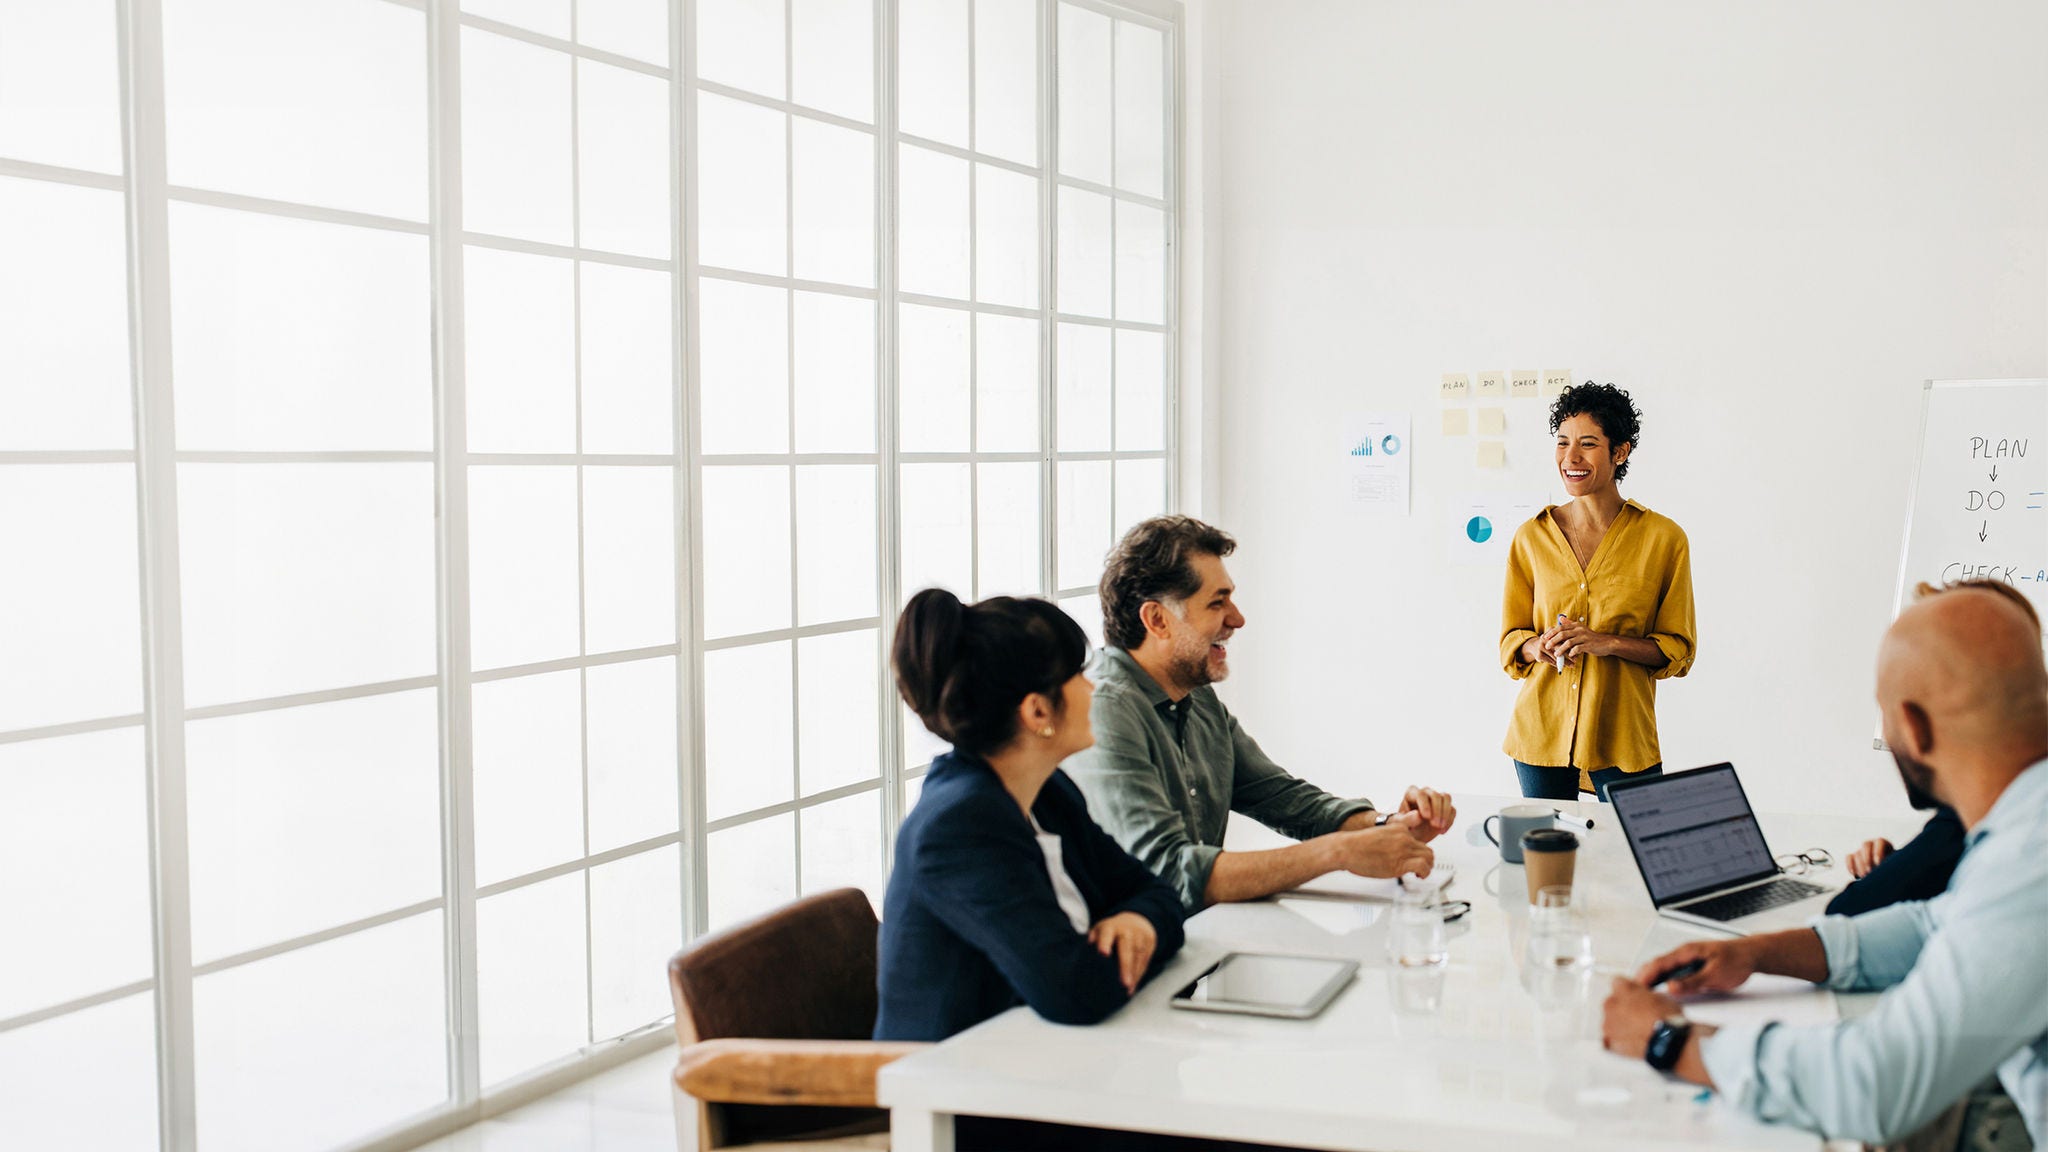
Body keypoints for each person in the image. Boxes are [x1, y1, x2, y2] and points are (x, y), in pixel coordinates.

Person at [1601, 580, 2048, 1151]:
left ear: (1913, 727)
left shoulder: (2028, 858)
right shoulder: (2023, 826)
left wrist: (1668, 1040)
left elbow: (1875, 1084)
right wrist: (1758, 953)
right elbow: (1937, 924)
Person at [1064, 516, 1455, 913]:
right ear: (1157, 620)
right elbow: (1170, 873)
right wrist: (1338, 852)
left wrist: (1387, 827)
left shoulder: (1198, 700)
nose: (1237, 618)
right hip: (1129, 964)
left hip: (1197, 947)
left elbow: (1285, 799)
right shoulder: (1104, 711)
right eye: (1217, 602)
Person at [875, 589, 1186, 1045]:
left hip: (1044, 1061)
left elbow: (1157, 892)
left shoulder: (1046, 791)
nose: (1093, 686)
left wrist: (1137, 923)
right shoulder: (958, 828)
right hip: (957, 1095)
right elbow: (1077, 992)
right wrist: (1137, 937)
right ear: (1037, 711)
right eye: (1077, 675)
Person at [1499, 382, 1696, 801]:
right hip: (1541, 732)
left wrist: (1605, 643)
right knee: (1549, 860)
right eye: (1562, 443)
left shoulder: (1664, 539)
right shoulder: (1531, 538)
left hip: (1622, 733)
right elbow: (1511, 641)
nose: (1571, 458)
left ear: (1619, 452)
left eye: (1588, 444)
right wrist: (1540, 647)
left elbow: (1677, 650)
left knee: (1633, 855)